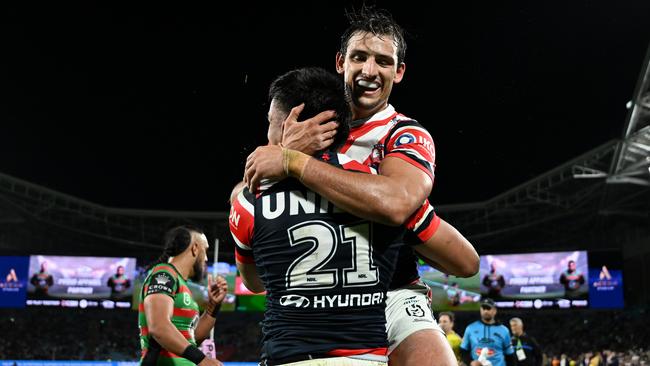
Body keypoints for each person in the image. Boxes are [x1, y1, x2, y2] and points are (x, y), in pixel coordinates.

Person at [242, 6, 478, 364]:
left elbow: (396, 203)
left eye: (383, 61)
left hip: (392, 290)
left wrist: (295, 161)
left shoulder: (406, 134)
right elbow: (251, 201)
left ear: (398, 72)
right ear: (340, 62)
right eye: (360, 57)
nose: (369, 71)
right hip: (314, 296)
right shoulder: (306, 119)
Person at [232, 66, 407, 365]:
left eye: (271, 122)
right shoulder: (379, 191)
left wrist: (288, 157)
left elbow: (254, 283)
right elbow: (466, 262)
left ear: (291, 123)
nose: (267, 132)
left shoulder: (248, 202)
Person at [138, 225, 228, 366]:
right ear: (195, 248)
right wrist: (202, 359)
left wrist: (213, 306)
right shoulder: (163, 274)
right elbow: (159, 327)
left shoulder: (180, 283)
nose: (205, 259)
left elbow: (190, 339)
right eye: (205, 250)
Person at [460, 298, 515, 366]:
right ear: (480, 310)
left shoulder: (504, 330)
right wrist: (470, 362)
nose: (485, 311)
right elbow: (463, 351)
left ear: (494, 311)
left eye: (488, 308)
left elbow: (510, 356)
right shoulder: (470, 328)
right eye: (483, 308)